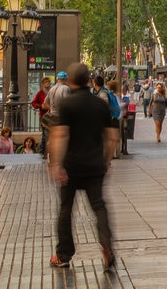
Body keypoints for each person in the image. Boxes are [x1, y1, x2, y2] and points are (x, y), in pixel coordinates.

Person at [48, 62, 118, 270]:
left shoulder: (68, 105)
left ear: (70, 81)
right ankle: (106, 247)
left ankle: (63, 255)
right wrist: (105, 161)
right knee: (99, 206)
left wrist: (56, 164)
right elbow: (112, 137)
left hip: (71, 166)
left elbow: (60, 135)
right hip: (95, 165)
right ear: (89, 80)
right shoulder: (100, 105)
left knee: (66, 209)